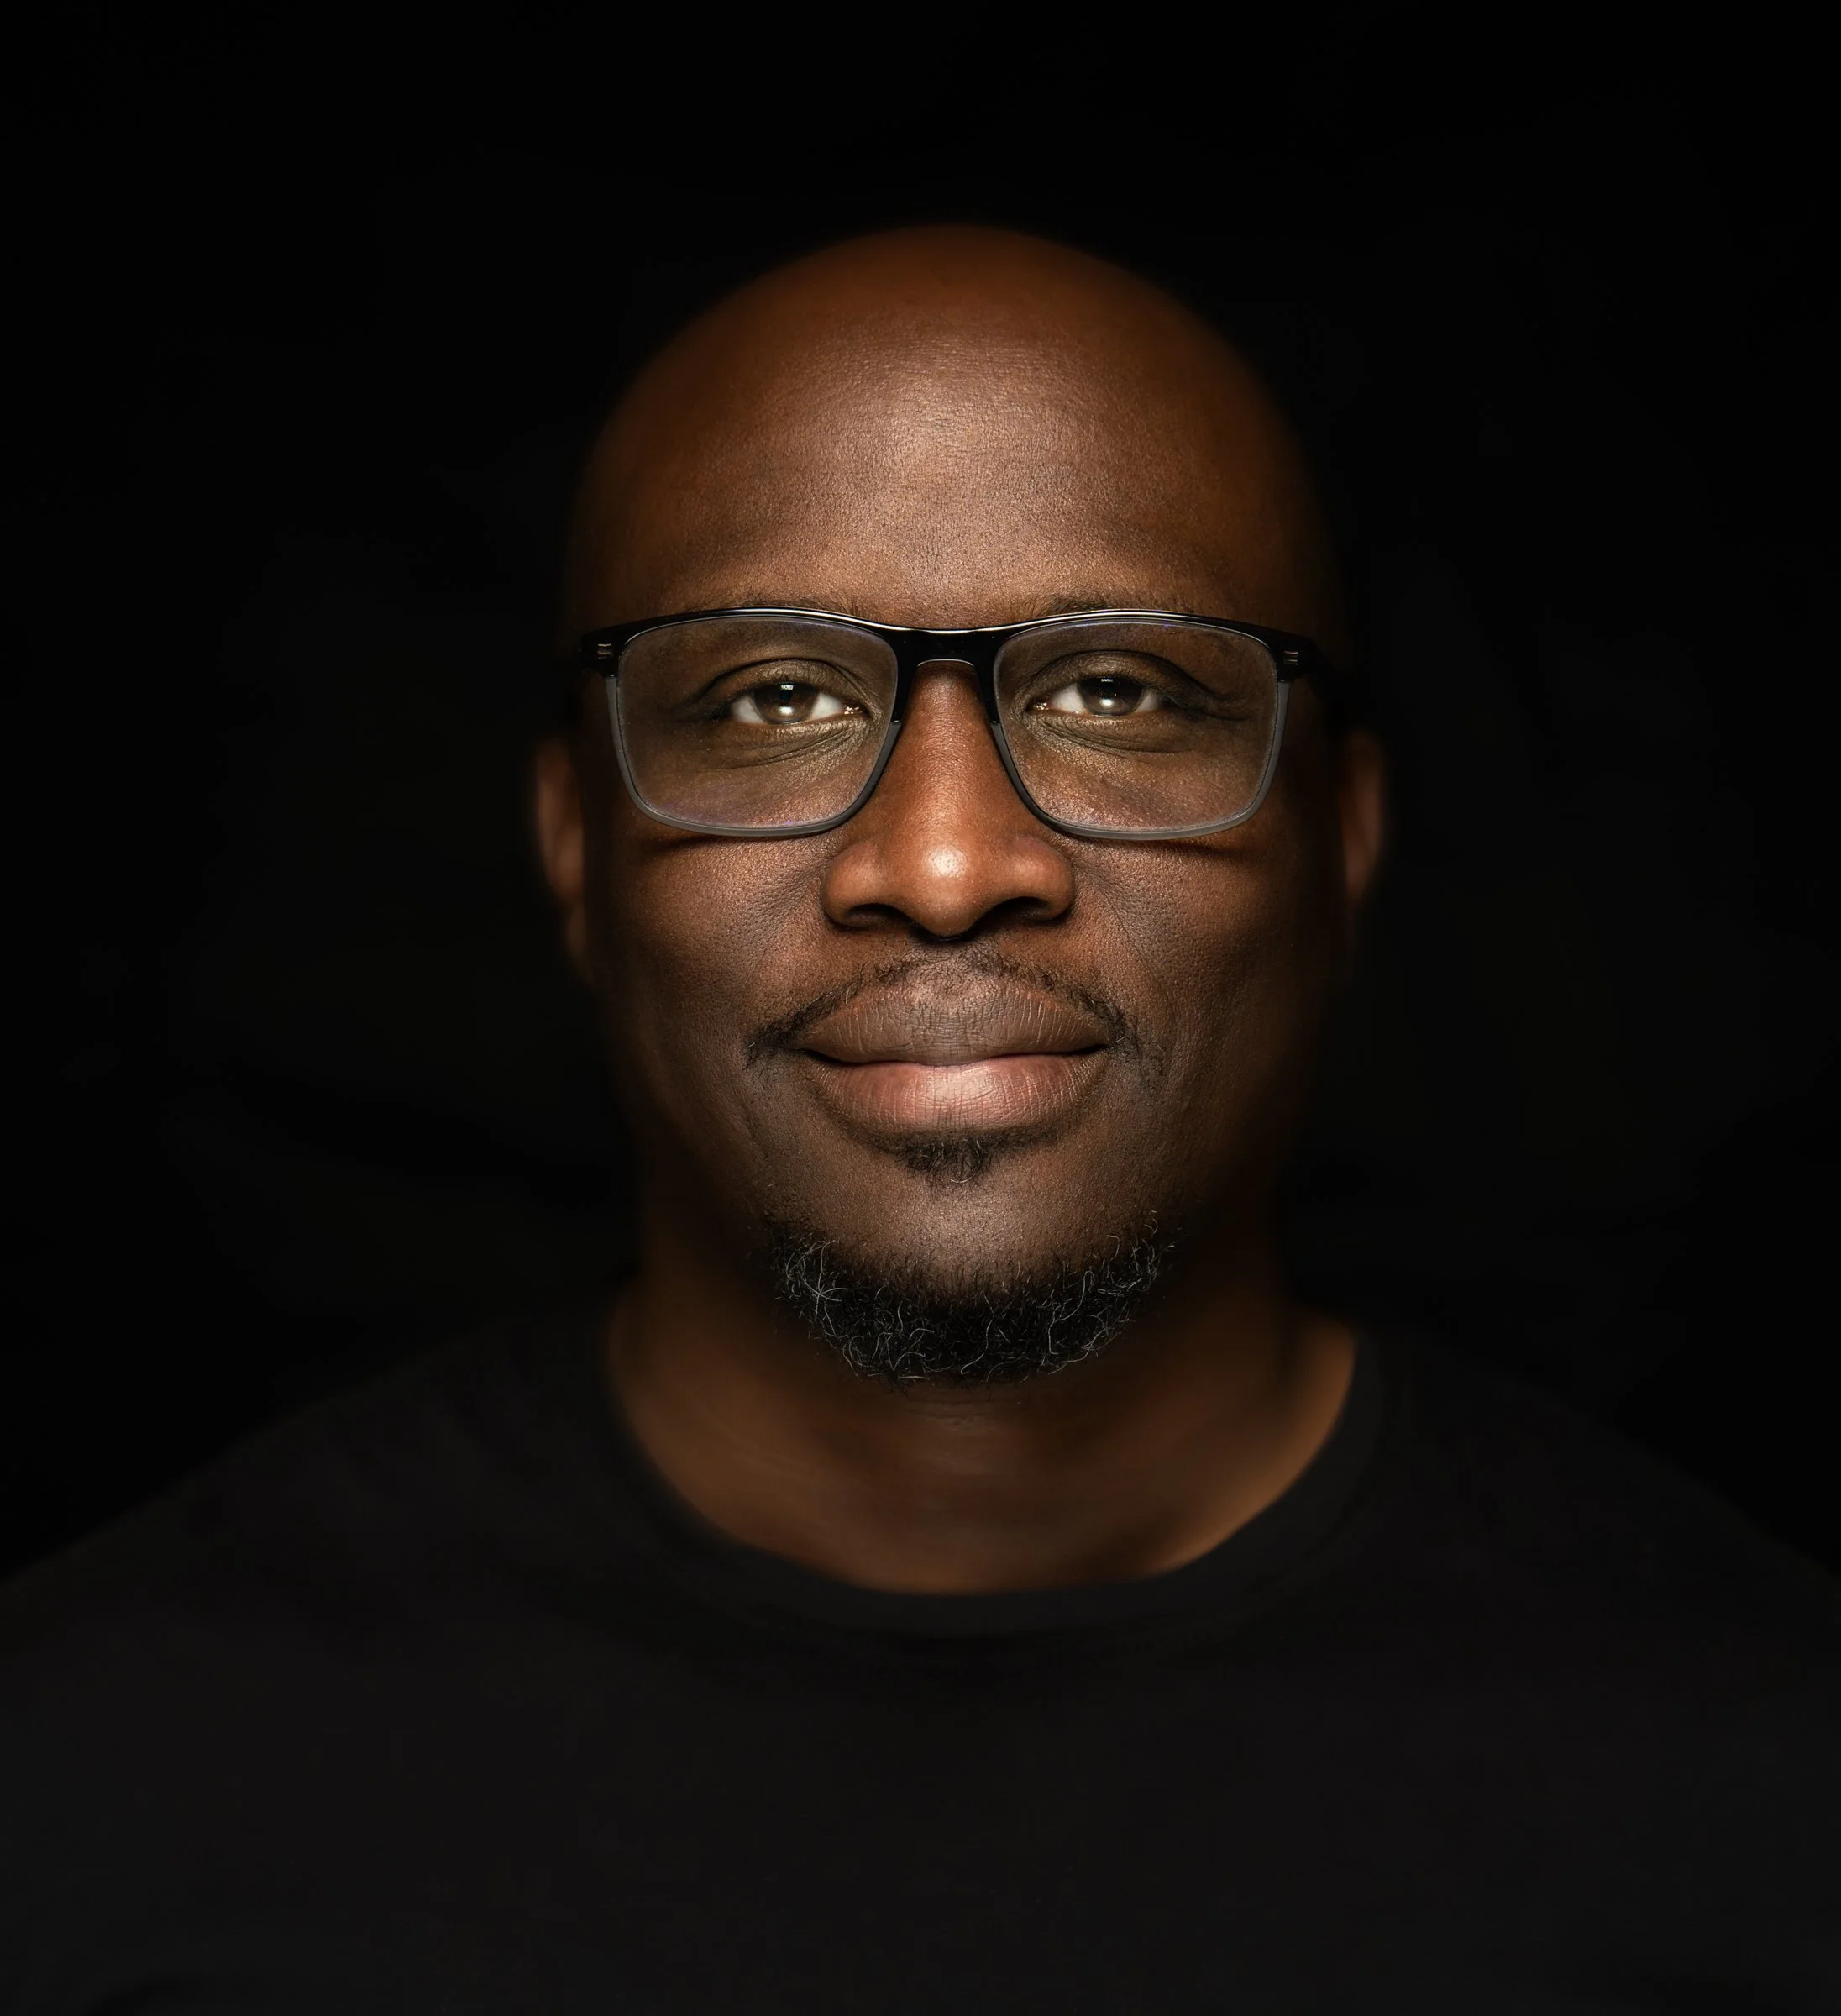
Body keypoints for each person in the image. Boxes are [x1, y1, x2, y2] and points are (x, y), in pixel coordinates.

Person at [3, 227, 1835, 2013]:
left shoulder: (1763, 1784)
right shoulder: (90, 1778)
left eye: (1119, 691)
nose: (947, 864)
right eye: (772, 696)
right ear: (574, 849)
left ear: (1340, 842)